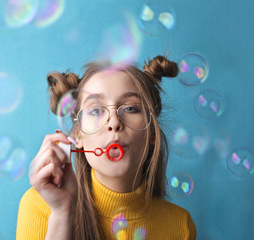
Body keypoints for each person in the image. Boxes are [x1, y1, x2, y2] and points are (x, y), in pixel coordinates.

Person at [16, 55, 197, 240]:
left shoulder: (180, 225)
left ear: (151, 132)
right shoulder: (41, 205)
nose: (114, 123)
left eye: (130, 108)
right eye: (95, 110)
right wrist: (62, 214)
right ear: (78, 134)